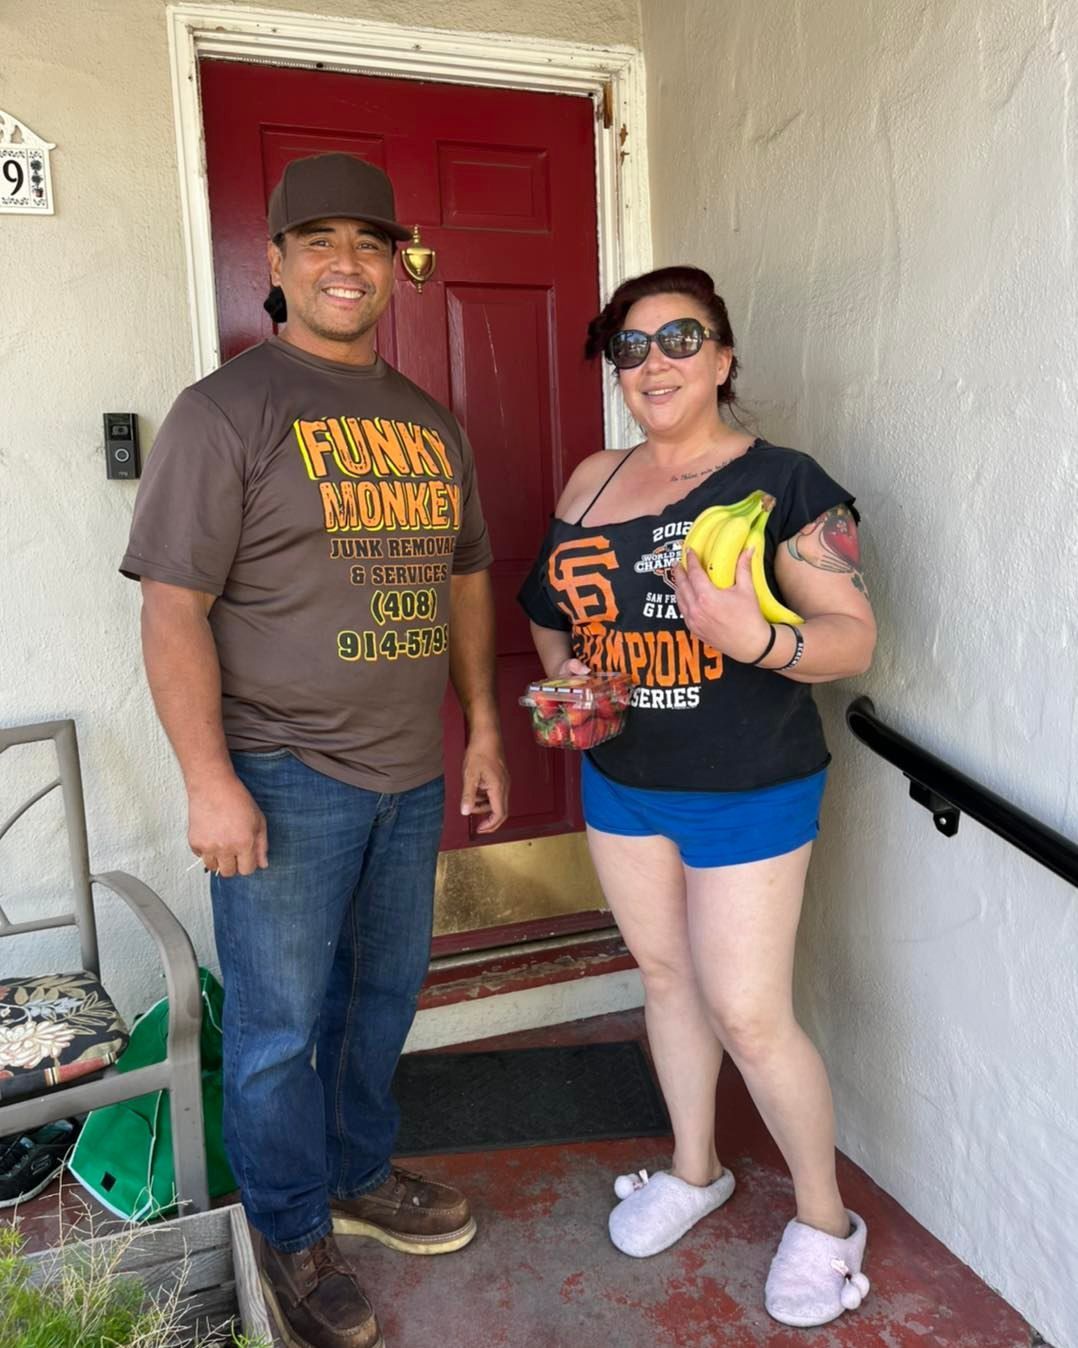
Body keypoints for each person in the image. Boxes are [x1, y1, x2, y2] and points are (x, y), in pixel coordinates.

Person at [121, 153, 509, 1348]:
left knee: (381, 997)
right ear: (277, 264)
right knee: (282, 1022)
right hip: (283, 773)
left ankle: (355, 1170)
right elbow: (172, 607)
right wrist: (209, 779)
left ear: (395, 266)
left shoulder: (427, 419)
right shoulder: (227, 409)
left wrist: (485, 724)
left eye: (371, 243)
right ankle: (288, 1228)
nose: (349, 263)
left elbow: (464, 576)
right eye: (321, 241)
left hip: (410, 770)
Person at [518, 265, 877, 1329]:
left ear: (722, 358)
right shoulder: (590, 480)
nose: (655, 362)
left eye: (681, 339)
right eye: (630, 348)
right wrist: (572, 673)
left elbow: (853, 638)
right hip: (623, 781)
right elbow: (549, 602)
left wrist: (754, 638)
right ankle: (694, 1167)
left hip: (748, 784)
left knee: (751, 1013)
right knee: (665, 976)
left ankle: (824, 1223)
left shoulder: (784, 483)